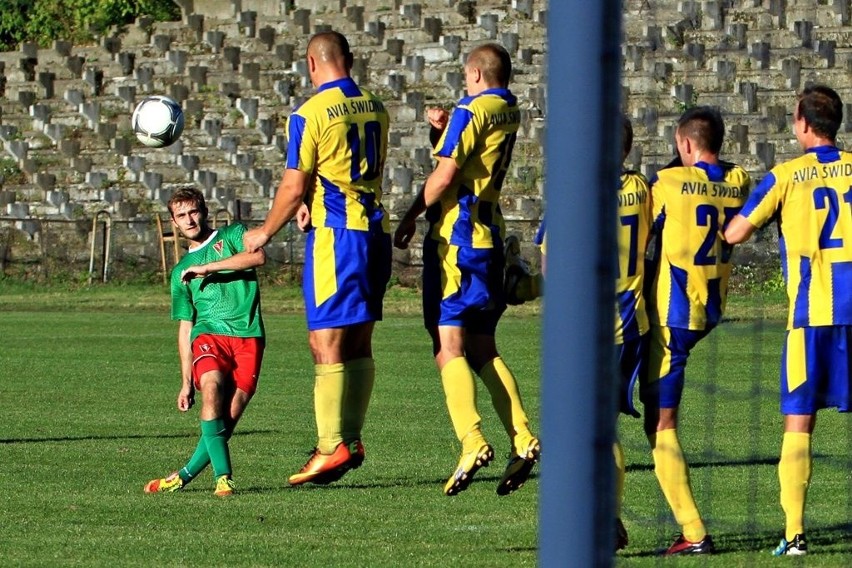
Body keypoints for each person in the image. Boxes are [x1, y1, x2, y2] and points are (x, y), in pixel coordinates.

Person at [243, 30, 391, 486]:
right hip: (375, 232)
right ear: (349, 59)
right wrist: (311, 195)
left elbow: (293, 183)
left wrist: (265, 231)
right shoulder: (375, 106)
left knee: (325, 343)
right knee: (359, 341)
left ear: (312, 63)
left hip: (337, 239)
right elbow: (339, 167)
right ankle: (351, 438)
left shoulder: (310, 114)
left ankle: (330, 446)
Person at [394, 43, 540, 497]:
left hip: (457, 241)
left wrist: (411, 213)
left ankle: (472, 440)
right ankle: (523, 436)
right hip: (490, 236)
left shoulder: (470, 109)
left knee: (447, 344)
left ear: (475, 73)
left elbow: (445, 176)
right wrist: (442, 133)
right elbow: (475, 162)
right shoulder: (508, 109)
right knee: (481, 346)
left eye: (465, 75)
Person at [725, 85, 852, 556]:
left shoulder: (785, 176)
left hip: (810, 317)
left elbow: (735, 232)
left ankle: (795, 533)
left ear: (801, 123)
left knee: (798, 424)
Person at [641, 106, 750, 554]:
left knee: (659, 424)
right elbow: (722, 173)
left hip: (670, 318)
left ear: (684, 144)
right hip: (710, 309)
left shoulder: (666, 184)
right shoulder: (738, 180)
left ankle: (693, 532)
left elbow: (643, 229)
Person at [144, 186, 266, 497]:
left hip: (249, 336)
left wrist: (209, 267)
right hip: (209, 335)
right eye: (181, 215)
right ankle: (224, 478)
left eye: (193, 211)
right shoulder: (180, 272)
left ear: (204, 211)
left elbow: (258, 256)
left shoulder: (233, 235)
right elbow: (186, 328)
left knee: (227, 420)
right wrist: (185, 381)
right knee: (210, 388)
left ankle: (181, 476)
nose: (189, 219)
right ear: (174, 221)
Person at [612, 115, 652, 551]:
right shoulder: (642, 188)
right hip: (633, 323)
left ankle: (610, 517)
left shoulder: (577, 189)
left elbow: (550, 261)